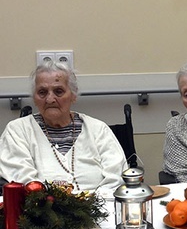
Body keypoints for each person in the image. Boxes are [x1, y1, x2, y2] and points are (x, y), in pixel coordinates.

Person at [0, 61, 127, 196]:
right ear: (34, 99)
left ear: (73, 95)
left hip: (101, 211)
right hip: (41, 213)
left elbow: (116, 178)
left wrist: (93, 206)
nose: (50, 99)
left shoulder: (98, 129)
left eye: (58, 91)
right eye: (42, 92)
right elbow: (24, 183)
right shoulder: (17, 131)